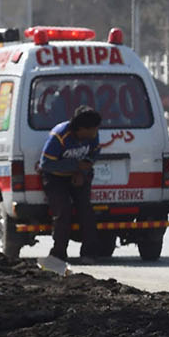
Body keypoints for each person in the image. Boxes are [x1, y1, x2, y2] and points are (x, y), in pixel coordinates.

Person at [38, 104, 103, 262]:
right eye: (92, 129)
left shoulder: (93, 135)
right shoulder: (59, 136)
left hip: (79, 176)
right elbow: (45, 164)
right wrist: (74, 167)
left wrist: (82, 171)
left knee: (86, 210)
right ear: (81, 129)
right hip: (55, 177)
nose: (96, 133)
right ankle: (59, 253)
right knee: (63, 211)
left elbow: (94, 153)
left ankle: (89, 252)